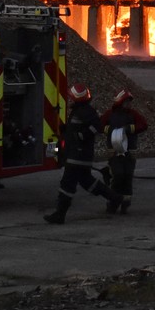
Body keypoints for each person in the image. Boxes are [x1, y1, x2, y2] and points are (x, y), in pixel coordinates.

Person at [44, 84, 123, 224]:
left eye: (71, 97)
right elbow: (79, 127)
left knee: (67, 183)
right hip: (79, 155)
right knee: (87, 182)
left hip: (77, 156)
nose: (70, 99)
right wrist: (67, 129)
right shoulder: (80, 110)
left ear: (76, 98)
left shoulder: (85, 111)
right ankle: (115, 198)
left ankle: (60, 214)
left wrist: (81, 136)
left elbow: (97, 126)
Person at [101, 89, 148, 215]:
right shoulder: (109, 114)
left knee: (128, 176)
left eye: (129, 102)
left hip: (129, 152)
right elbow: (99, 125)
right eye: (126, 102)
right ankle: (113, 202)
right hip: (114, 152)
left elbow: (143, 125)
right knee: (118, 175)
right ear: (120, 102)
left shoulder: (133, 114)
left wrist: (130, 128)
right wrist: (110, 130)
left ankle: (125, 203)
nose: (129, 104)